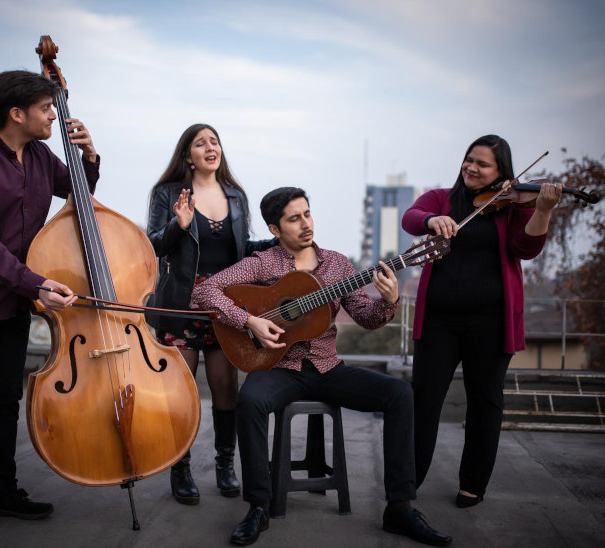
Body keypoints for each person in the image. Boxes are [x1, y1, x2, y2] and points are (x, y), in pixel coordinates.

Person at [192, 187, 452, 546]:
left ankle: (400, 507)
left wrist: (389, 301)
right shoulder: (263, 263)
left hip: (328, 368)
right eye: (294, 218)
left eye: (307, 214)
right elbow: (204, 292)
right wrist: (249, 321)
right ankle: (258, 507)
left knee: (400, 393)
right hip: (278, 368)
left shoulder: (338, 265)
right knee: (249, 401)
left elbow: (367, 317)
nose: (305, 224)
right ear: (274, 229)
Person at [0, 70, 100, 544]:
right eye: (46, 108)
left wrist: (89, 156)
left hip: (14, 297)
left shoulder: (41, 155)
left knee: (7, 401)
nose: (54, 115)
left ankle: (1, 491)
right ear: (16, 113)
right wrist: (36, 283)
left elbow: (78, 195)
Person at [401, 135, 562, 508]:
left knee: (485, 402)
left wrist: (543, 210)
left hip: (490, 323)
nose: (471, 167)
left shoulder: (514, 205)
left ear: (502, 172)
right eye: (469, 159)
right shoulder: (441, 198)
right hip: (438, 321)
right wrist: (432, 219)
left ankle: (472, 485)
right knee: (423, 401)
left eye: (483, 164)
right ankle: (408, 482)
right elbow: (412, 218)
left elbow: (525, 248)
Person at [146, 123, 275, 505]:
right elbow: (153, 245)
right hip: (181, 305)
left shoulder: (236, 196)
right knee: (181, 392)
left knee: (225, 388)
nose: (209, 147)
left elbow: (242, 248)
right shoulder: (168, 193)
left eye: (214, 141)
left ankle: (224, 465)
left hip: (223, 306)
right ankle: (180, 468)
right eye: (200, 143)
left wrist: (277, 243)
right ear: (188, 155)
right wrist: (179, 224)